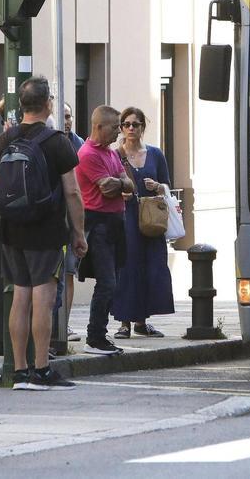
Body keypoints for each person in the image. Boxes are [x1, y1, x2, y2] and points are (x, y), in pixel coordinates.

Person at [0, 77, 86, 389]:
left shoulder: (4, 140)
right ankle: (41, 369)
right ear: (48, 104)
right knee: (42, 297)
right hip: (45, 229)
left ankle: (19, 371)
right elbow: (72, 192)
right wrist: (79, 232)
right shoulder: (56, 142)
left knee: (20, 294)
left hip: (11, 228)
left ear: (22, 105)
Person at [76, 105, 134, 356]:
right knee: (107, 282)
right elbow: (107, 188)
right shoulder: (88, 153)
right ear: (98, 127)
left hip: (115, 223)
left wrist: (119, 183)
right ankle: (95, 337)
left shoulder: (111, 153)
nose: (119, 132)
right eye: (114, 127)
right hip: (97, 223)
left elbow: (128, 185)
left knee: (114, 281)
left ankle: (100, 335)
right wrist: (119, 183)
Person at [113, 107, 175, 339]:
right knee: (128, 267)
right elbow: (106, 186)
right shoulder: (116, 155)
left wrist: (157, 186)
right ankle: (124, 323)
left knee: (152, 267)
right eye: (126, 124)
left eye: (135, 124)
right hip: (126, 216)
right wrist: (121, 193)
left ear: (142, 127)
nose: (130, 128)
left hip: (151, 218)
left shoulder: (156, 154)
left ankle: (142, 321)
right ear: (121, 128)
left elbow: (167, 185)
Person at [54, 102, 84, 346]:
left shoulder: (78, 144)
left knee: (69, 272)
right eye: (62, 116)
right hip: (53, 217)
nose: (66, 121)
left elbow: (78, 187)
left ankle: (64, 322)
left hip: (70, 218)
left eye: (69, 116)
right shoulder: (50, 140)